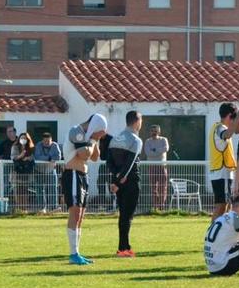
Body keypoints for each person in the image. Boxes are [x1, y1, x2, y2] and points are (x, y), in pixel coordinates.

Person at [63, 113, 108, 265]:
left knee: (80, 216)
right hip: (73, 174)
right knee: (75, 213)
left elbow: (95, 157)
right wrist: (93, 140)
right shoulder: (76, 131)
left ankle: (77, 252)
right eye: (98, 132)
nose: (97, 136)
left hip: (83, 175)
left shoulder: (90, 138)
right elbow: (83, 155)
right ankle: (73, 253)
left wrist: (95, 140)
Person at [109, 111, 143, 257]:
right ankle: (124, 248)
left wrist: (115, 179)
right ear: (137, 122)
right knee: (127, 216)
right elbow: (129, 164)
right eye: (141, 120)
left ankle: (123, 246)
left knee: (123, 215)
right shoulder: (136, 140)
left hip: (119, 180)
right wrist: (119, 179)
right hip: (130, 181)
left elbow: (108, 161)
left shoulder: (116, 138)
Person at [209, 103, 239, 220]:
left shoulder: (217, 127)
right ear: (229, 116)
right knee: (221, 205)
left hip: (221, 171)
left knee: (225, 205)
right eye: (234, 117)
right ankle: (213, 234)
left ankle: (219, 233)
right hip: (221, 172)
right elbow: (227, 135)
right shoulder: (220, 128)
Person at [33, 132, 62, 213]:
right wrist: (50, 158)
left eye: (48, 141)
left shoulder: (55, 145)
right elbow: (37, 157)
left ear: (51, 140)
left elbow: (58, 156)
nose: (47, 143)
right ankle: (42, 208)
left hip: (51, 170)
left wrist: (51, 159)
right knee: (39, 189)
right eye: (45, 141)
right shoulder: (38, 145)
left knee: (53, 188)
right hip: (39, 170)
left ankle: (54, 207)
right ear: (42, 140)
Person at [144, 124, 169, 210]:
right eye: (152, 131)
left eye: (155, 131)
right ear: (150, 132)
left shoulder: (164, 140)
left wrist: (154, 150)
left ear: (159, 132)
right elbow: (148, 152)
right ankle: (155, 207)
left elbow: (165, 149)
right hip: (152, 167)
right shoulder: (147, 141)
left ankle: (161, 206)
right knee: (153, 188)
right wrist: (158, 151)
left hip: (162, 166)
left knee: (163, 187)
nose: (154, 133)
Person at [11, 132, 35, 212]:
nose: (23, 139)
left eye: (25, 138)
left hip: (26, 172)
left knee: (25, 190)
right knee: (17, 190)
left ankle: (25, 209)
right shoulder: (15, 146)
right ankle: (18, 209)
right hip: (17, 171)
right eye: (22, 138)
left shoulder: (30, 147)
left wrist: (28, 158)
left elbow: (33, 157)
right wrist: (20, 156)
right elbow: (13, 157)